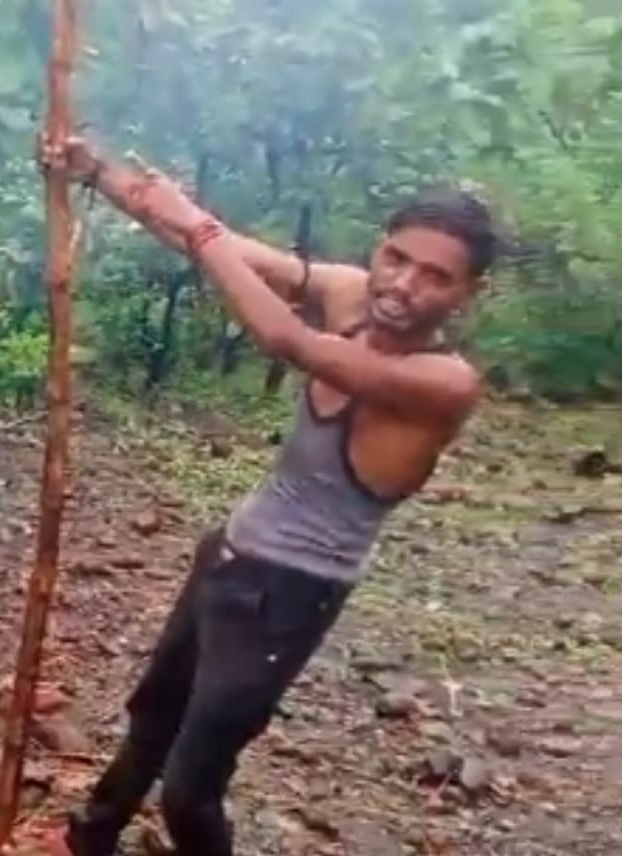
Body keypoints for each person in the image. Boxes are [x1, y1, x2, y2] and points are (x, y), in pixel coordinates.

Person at [43, 138, 494, 856]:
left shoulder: (444, 384)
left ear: (468, 294)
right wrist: (100, 174)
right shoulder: (350, 291)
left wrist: (198, 226)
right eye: (396, 258)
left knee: (193, 786)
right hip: (228, 551)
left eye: (435, 277)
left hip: (290, 595)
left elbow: (285, 335)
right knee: (153, 714)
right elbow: (231, 254)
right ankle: (89, 836)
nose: (404, 285)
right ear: (379, 251)